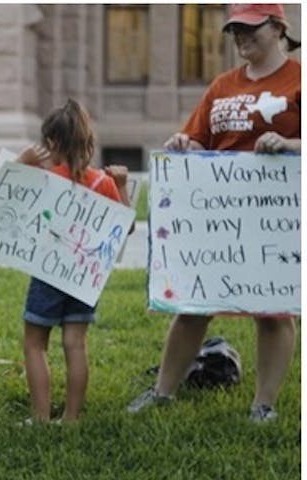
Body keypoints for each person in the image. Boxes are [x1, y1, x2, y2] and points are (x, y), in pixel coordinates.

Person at [127, 3, 300, 422]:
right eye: (234, 30)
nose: (241, 37)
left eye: (250, 28)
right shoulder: (222, 85)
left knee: (272, 310)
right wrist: (184, 145)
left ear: (278, 28)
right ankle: (164, 392)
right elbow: (198, 139)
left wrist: (290, 145)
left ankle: (263, 405)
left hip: (273, 216)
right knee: (193, 301)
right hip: (217, 217)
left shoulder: (299, 80)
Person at [16, 99, 133, 424]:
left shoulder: (44, 176)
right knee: (75, 344)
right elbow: (125, 227)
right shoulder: (103, 182)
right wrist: (121, 188)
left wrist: (22, 163)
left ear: (50, 143)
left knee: (35, 344)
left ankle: (40, 417)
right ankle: (70, 418)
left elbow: (6, 198)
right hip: (85, 276)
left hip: (49, 271)